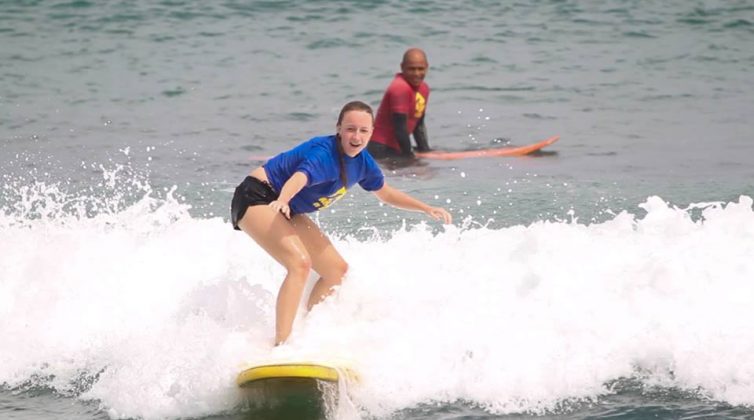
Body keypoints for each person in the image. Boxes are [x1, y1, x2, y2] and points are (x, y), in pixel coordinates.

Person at [231, 100, 452, 345]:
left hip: (286, 207)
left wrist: (426, 208)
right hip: (258, 196)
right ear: (339, 129)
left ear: (371, 133)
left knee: (336, 271)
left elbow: (386, 194)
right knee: (300, 264)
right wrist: (283, 199)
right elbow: (300, 177)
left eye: (363, 130)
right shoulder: (324, 153)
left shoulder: (364, 163)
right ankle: (280, 345)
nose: (356, 136)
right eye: (350, 129)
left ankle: (304, 329)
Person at [368, 47, 431, 161]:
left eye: (420, 69)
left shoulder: (423, 89)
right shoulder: (400, 88)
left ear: (427, 67)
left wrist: (425, 150)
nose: (416, 73)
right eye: (411, 69)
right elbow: (400, 128)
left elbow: (418, 124)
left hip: (398, 146)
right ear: (402, 67)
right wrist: (409, 156)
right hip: (380, 149)